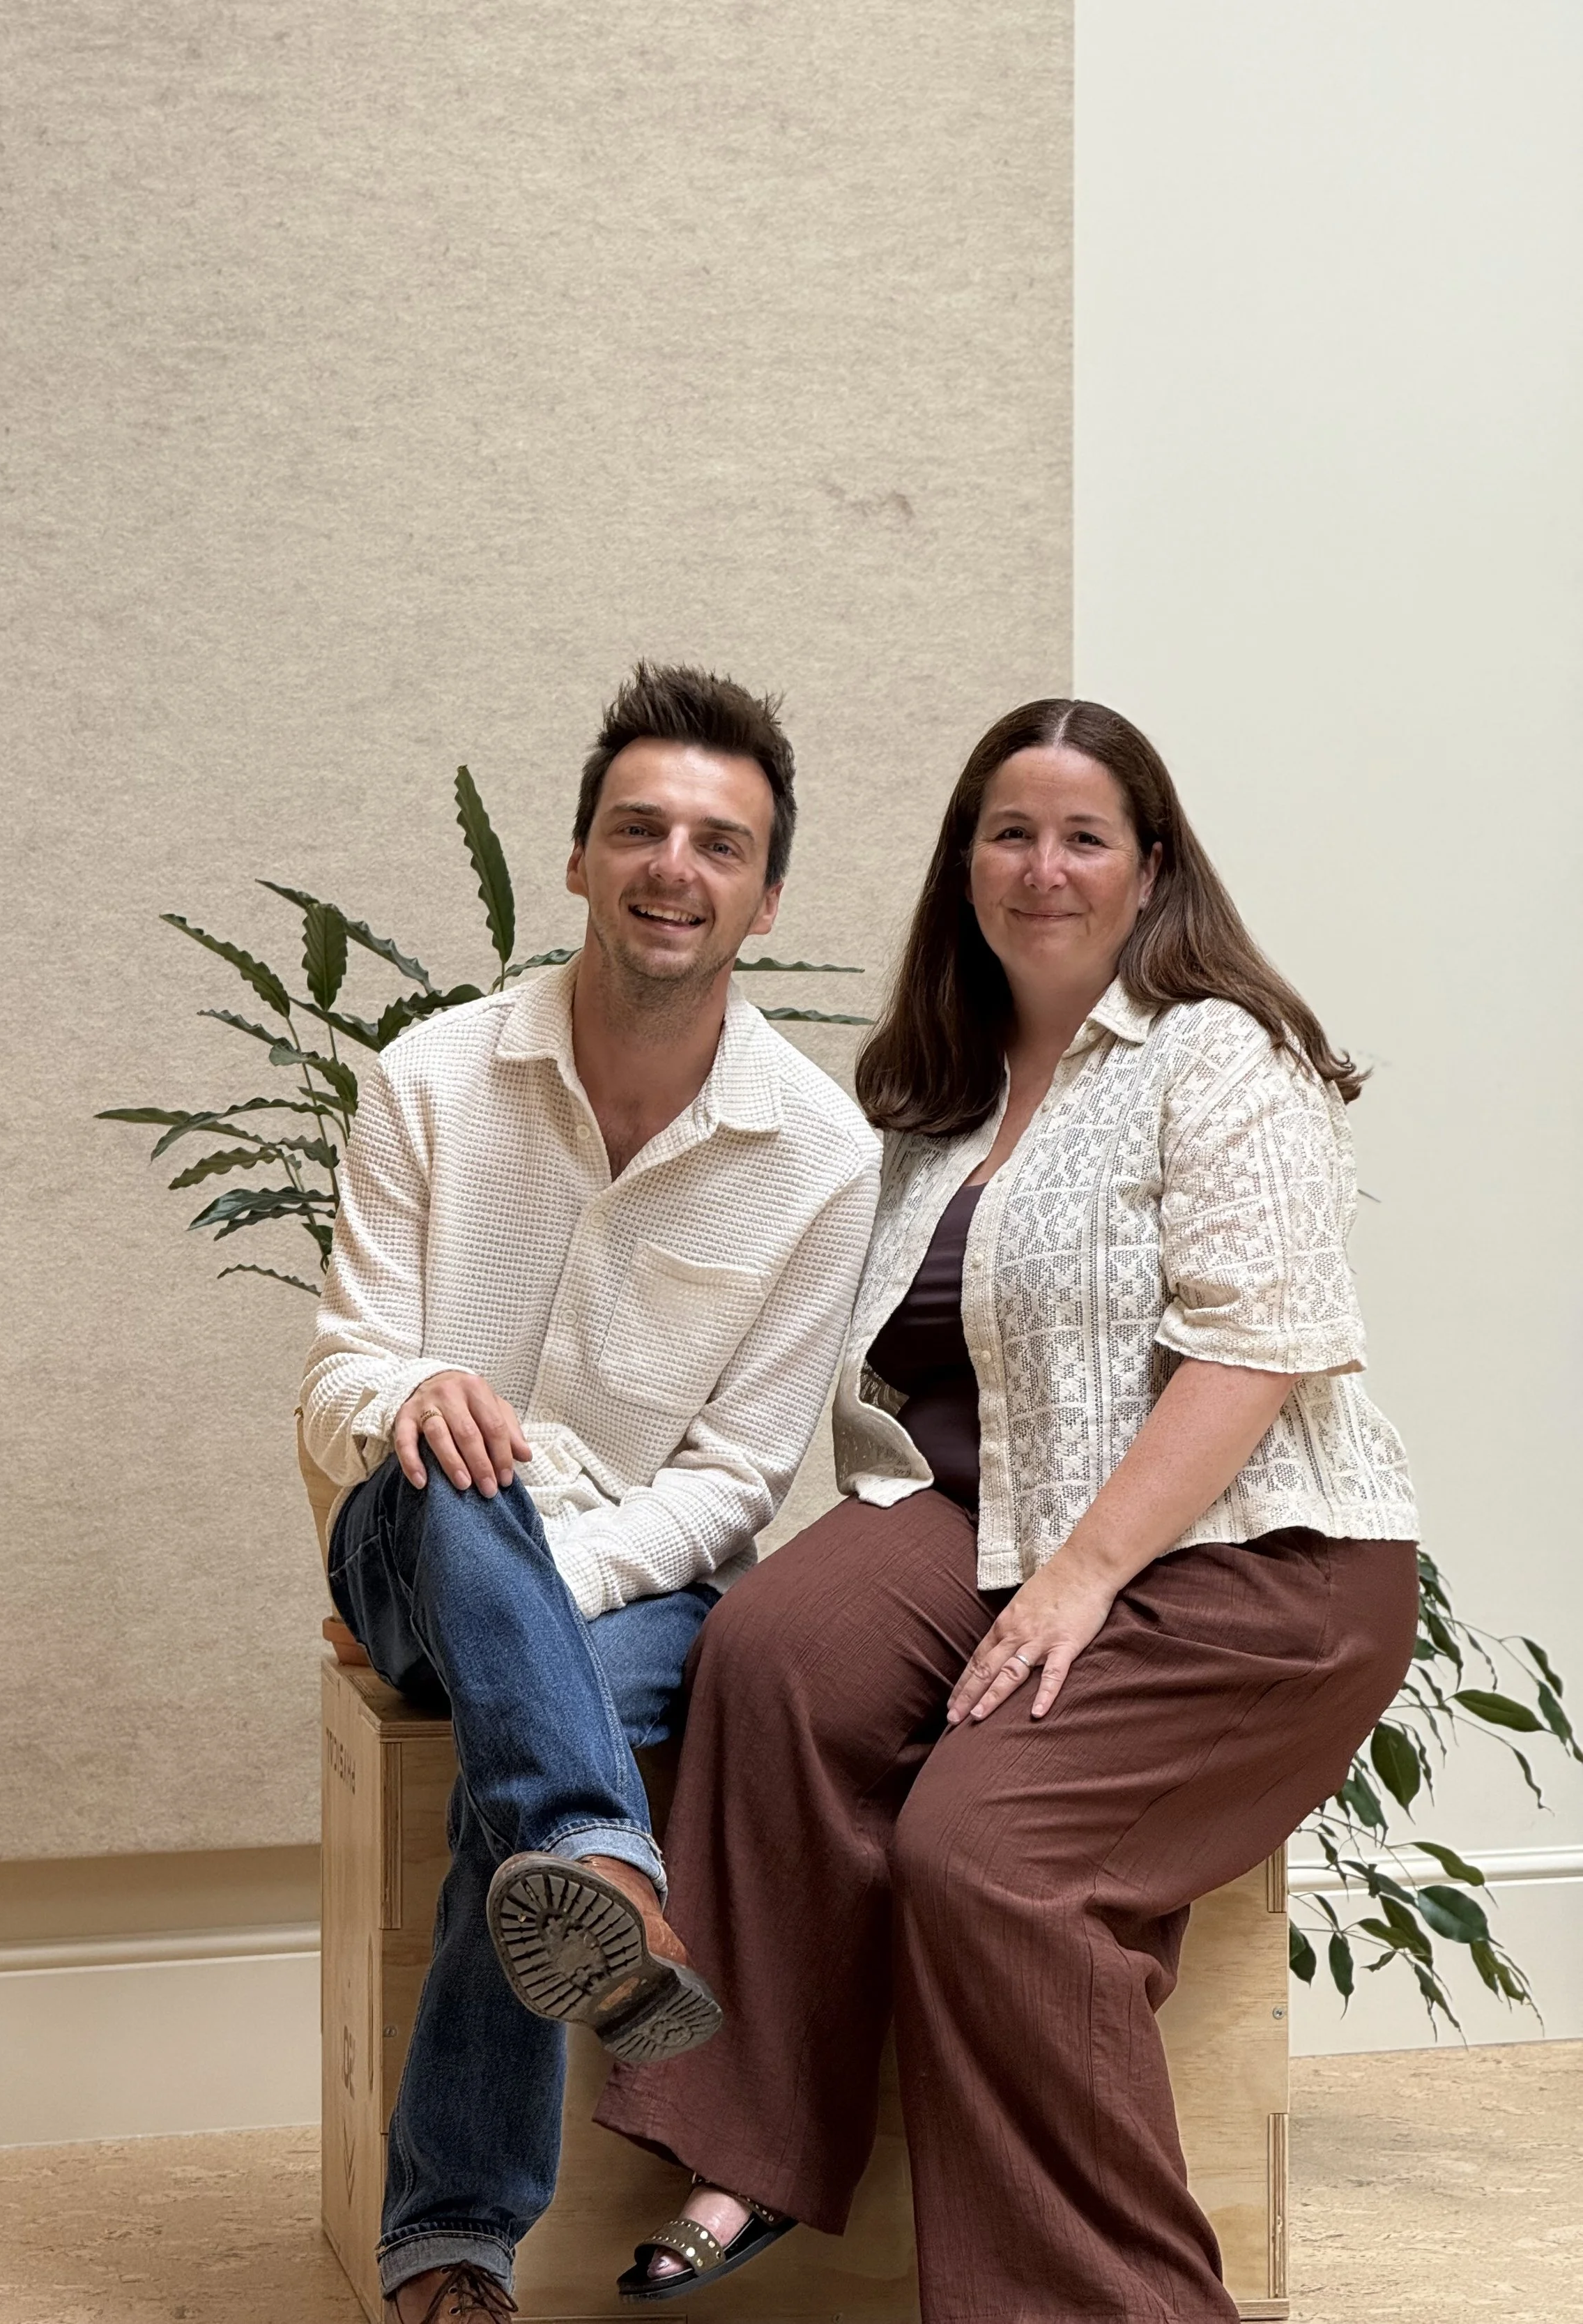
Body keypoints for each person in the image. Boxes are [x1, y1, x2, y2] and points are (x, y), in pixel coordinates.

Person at [596, 697, 1420, 2324]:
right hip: (991, 1520)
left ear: (1151, 867)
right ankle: (754, 2145)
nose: (1041, 866)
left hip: (1251, 1559)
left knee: (981, 1859)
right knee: (769, 1646)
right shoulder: (928, 1100)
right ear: (962, 863)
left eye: (1082, 834)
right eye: (1007, 831)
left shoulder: (1218, 1053)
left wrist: (1076, 1583)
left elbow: (1251, 1349)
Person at [301, 662, 879, 2324]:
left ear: (765, 896)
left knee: (532, 1765)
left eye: (715, 841)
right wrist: (426, 1392)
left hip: (630, 1594)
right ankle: (599, 1875)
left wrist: (546, 1582)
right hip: (412, 1548)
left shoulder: (820, 1155)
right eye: (636, 828)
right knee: (457, 1451)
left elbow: (731, 1481)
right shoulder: (427, 1080)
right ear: (575, 860)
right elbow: (347, 1376)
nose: (669, 866)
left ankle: (454, 2242)